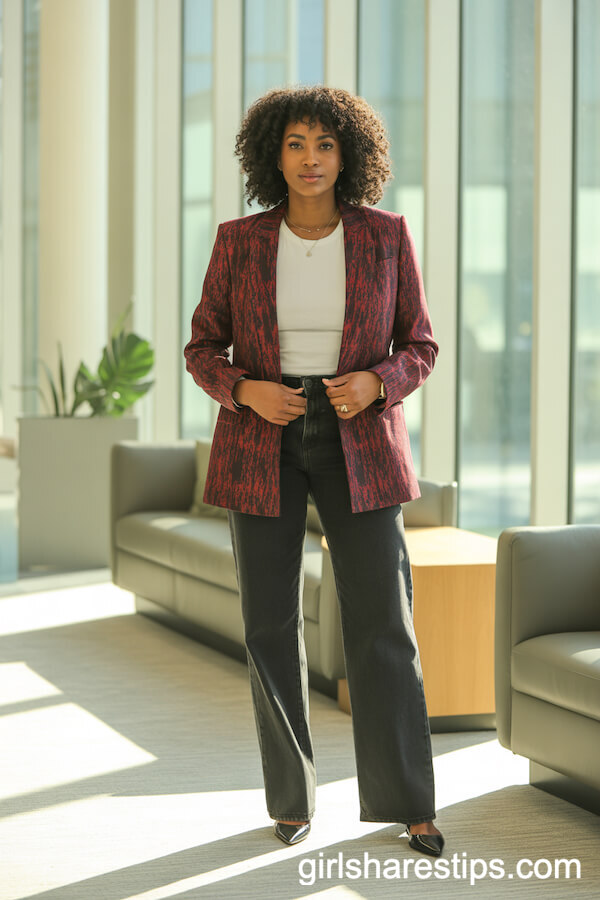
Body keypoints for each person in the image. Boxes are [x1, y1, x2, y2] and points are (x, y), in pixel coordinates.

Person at [184, 85, 444, 857]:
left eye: (324, 145)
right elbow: (202, 347)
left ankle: (411, 803)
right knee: (271, 624)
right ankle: (291, 801)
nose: (309, 159)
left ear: (348, 156)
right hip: (262, 435)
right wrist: (243, 389)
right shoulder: (238, 240)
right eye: (295, 144)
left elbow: (420, 344)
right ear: (274, 153)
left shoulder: (386, 236)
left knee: (383, 624)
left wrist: (379, 383)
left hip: (359, 436)